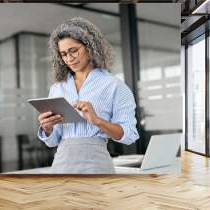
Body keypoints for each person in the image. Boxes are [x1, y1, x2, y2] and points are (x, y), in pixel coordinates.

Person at [37, 17, 139, 174]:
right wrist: (48, 128)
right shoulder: (58, 88)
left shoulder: (114, 86)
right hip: (61, 164)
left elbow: (129, 135)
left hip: (97, 164)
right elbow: (52, 141)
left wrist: (97, 121)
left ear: (90, 47)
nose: (69, 58)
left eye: (74, 50)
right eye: (63, 54)